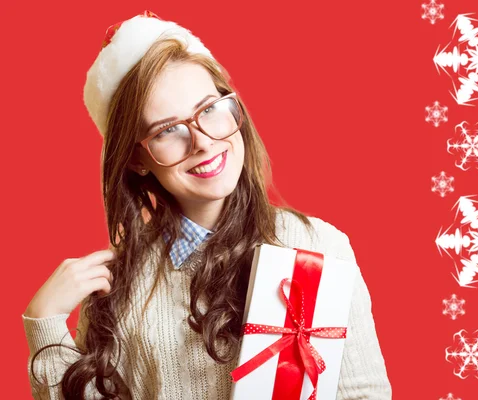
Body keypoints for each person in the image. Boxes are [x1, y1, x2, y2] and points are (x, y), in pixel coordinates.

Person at [21, 10, 392, 400]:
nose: (202, 141)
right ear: (137, 159)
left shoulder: (318, 246)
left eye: (209, 108)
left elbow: (364, 394)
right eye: (167, 130)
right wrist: (44, 320)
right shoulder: (116, 288)